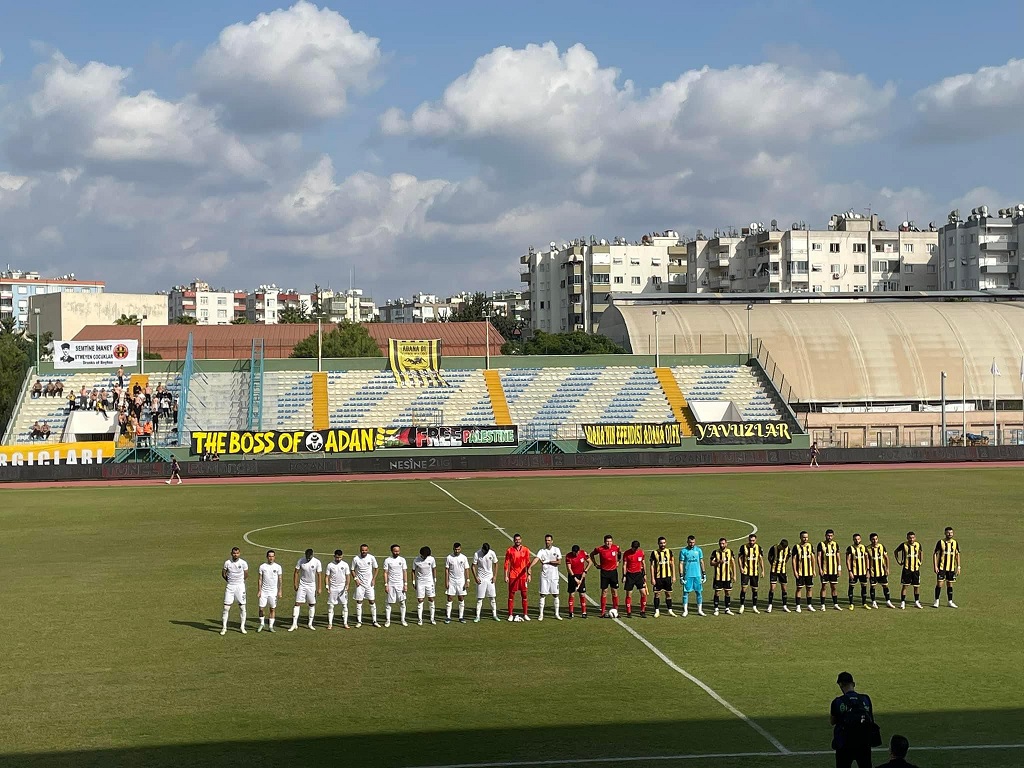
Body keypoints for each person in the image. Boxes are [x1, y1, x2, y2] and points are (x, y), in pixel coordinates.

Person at [830, 672, 875, 768]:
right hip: (863, 743)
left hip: (844, 744)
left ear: (840, 685)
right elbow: (871, 720)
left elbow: (832, 721)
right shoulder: (865, 699)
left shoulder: (837, 702)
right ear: (853, 684)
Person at [289, 548, 322, 631]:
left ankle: (310, 624)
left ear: (312, 555)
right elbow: (296, 572)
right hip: (302, 585)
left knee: (311, 604)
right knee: (297, 603)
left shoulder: (317, 562)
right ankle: (294, 624)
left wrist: (319, 588)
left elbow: (319, 575)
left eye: (309, 557)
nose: (307, 558)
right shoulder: (301, 561)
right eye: (306, 556)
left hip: (311, 585)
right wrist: (295, 584)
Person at [531, 534, 562, 621]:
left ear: (552, 541)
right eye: (546, 540)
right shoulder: (542, 551)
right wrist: (530, 567)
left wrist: (548, 561)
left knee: (555, 595)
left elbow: (559, 562)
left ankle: (557, 614)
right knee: (542, 594)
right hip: (544, 576)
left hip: (554, 576)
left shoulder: (556, 550)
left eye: (549, 540)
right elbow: (536, 559)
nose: (547, 542)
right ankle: (541, 614)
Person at [590, 534, 621, 618]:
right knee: (604, 592)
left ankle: (616, 610)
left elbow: (619, 553)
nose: (609, 543)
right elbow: (592, 554)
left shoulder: (616, 547)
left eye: (610, 541)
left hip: (613, 572)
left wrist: (618, 561)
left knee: (614, 591)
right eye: (607, 541)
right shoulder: (600, 549)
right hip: (604, 573)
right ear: (604, 542)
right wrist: (596, 564)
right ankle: (603, 611)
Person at [220, 547, 248, 636]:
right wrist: (229, 581)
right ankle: (224, 628)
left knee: (242, 607)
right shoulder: (227, 563)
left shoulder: (243, 563)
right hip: (230, 586)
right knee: (226, 607)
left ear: (239, 553)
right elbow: (223, 573)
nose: (235, 555)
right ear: (231, 553)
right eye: (234, 553)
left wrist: (240, 582)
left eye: (237, 553)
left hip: (240, 587)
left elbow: (246, 574)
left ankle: (242, 627)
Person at [504, 533, 533, 620]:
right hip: (513, 575)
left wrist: (529, 575)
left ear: (521, 540)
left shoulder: (526, 550)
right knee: (511, 595)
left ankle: (525, 614)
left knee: (524, 595)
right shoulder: (510, 550)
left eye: (519, 539)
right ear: (514, 540)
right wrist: (506, 576)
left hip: (523, 576)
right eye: (516, 540)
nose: (517, 541)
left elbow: (528, 563)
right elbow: (506, 564)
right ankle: (510, 614)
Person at [351, 544, 380, 628]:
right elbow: (352, 569)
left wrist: (373, 579)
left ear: (368, 550)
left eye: (365, 550)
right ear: (360, 550)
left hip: (369, 584)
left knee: (372, 601)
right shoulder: (356, 559)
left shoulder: (371, 558)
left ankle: (374, 621)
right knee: (359, 601)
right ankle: (359, 621)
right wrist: (356, 579)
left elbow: (376, 568)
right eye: (362, 550)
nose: (364, 552)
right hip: (360, 584)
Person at [933, 526, 961, 609]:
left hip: (951, 568)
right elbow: (935, 554)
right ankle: (936, 601)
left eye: (951, 532)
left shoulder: (955, 543)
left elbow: (957, 554)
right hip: (942, 567)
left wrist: (958, 566)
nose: (950, 534)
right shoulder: (940, 542)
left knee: (950, 584)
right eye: (948, 532)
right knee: (939, 584)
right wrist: (935, 566)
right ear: (945, 533)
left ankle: (950, 601)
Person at [894, 532, 923, 609]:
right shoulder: (904, 545)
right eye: (910, 538)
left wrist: (920, 561)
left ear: (915, 538)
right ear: (907, 538)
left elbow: (920, 552)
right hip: (907, 569)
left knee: (916, 586)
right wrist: (899, 561)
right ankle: (902, 602)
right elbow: (896, 551)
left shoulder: (918, 545)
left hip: (916, 569)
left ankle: (917, 601)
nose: (911, 539)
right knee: (905, 586)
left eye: (913, 537)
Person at [678, 535, 706, 617]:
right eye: (690, 542)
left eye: (693, 542)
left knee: (699, 592)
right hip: (688, 575)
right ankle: (685, 610)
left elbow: (701, 562)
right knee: (685, 593)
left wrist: (704, 574)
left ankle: (700, 610)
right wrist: (681, 575)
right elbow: (681, 563)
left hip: (697, 575)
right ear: (687, 542)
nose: (692, 544)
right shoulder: (683, 551)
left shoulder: (698, 550)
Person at [737, 533, 764, 614]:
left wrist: (763, 570)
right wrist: (741, 568)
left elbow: (760, 559)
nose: (751, 542)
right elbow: (739, 558)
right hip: (745, 571)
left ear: (756, 540)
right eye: (750, 540)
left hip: (755, 572)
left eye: (753, 540)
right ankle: (742, 606)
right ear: (748, 540)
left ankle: (754, 606)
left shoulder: (758, 548)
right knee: (744, 588)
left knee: (755, 589)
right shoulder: (743, 547)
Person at [382, 544, 408, 628]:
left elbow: (404, 572)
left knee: (402, 602)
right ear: (392, 551)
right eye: (395, 551)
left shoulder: (402, 560)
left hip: (400, 584)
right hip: (391, 584)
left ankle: (403, 620)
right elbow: (385, 573)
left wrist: (405, 584)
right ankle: (388, 620)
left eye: (398, 551)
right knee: (389, 603)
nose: (397, 553)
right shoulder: (387, 560)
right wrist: (386, 584)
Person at [472, 543, 499, 623]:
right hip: (481, 579)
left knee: (492, 598)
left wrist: (495, 576)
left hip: (490, 579)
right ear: (482, 549)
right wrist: (476, 577)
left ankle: (494, 615)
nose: (486, 552)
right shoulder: (477, 554)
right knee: (480, 599)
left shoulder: (492, 553)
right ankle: (477, 616)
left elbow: (496, 564)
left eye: (487, 551)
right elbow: (473, 566)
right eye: (484, 551)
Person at [257, 549, 283, 632]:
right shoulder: (262, 566)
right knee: (261, 608)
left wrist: (280, 591)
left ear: (274, 557)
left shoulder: (278, 567)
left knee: (272, 608)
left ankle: (271, 626)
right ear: (267, 557)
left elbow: (280, 579)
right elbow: (260, 579)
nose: (271, 558)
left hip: (273, 592)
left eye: (272, 556)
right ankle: (262, 623)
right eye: (269, 556)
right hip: (264, 591)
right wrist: (259, 590)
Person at [649, 536, 675, 617]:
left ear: (666, 543)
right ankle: (657, 611)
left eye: (664, 543)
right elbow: (652, 566)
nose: (662, 544)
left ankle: (670, 610)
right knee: (657, 594)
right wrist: (652, 578)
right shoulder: (654, 553)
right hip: (658, 577)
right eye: (661, 543)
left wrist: (673, 576)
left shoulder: (669, 552)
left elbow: (672, 564)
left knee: (668, 594)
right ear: (658, 544)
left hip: (667, 577)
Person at [818, 529, 843, 611]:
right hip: (825, 570)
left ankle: (835, 604)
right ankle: (822, 605)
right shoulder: (821, 544)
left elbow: (838, 557)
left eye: (831, 536)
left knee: (834, 587)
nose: (829, 537)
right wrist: (820, 569)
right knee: (824, 587)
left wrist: (839, 568)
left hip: (834, 570)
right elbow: (818, 557)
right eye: (828, 536)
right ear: (825, 536)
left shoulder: (835, 544)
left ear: (833, 536)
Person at [445, 542, 471, 624]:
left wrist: (467, 581)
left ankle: (461, 617)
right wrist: (446, 581)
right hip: (452, 581)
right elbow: (447, 570)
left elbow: (467, 569)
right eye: (455, 549)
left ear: (461, 549)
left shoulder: (464, 558)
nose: (457, 551)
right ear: (453, 549)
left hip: (461, 581)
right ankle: (448, 617)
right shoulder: (449, 557)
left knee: (461, 598)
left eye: (458, 549)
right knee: (450, 598)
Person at [791, 531, 817, 612]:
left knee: (809, 588)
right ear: (800, 537)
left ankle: (809, 605)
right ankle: (798, 606)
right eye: (803, 537)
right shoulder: (796, 547)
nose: (805, 539)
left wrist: (813, 570)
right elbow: (794, 560)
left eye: (806, 537)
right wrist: (795, 571)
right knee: (799, 588)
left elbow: (813, 558)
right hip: (800, 572)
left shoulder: (810, 546)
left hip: (809, 572)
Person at [325, 549, 351, 630]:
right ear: (334, 556)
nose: (338, 559)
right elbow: (326, 576)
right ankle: (330, 624)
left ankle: (345, 623)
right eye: (337, 557)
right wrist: (327, 586)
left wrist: (347, 585)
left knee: (344, 605)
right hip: (333, 588)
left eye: (340, 557)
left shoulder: (345, 565)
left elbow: (348, 576)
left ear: (342, 556)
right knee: (331, 606)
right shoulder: (330, 565)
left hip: (342, 588)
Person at [622, 539, 648, 618]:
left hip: (639, 575)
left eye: (636, 548)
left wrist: (645, 574)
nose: (635, 549)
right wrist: (624, 575)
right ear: (632, 547)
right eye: (634, 548)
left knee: (643, 593)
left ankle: (642, 611)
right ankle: (629, 612)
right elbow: (624, 565)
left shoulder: (641, 552)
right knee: (629, 594)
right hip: (630, 575)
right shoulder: (627, 553)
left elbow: (643, 563)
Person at [710, 538, 735, 616]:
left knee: (727, 592)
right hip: (718, 577)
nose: (722, 545)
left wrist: (734, 575)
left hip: (727, 577)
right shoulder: (715, 552)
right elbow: (711, 563)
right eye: (720, 543)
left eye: (723, 543)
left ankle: (727, 609)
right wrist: (718, 562)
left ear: (726, 544)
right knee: (717, 592)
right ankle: (716, 609)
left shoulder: (730, 552)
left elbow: (733, 563)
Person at [414, 546, 438, 626]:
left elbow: (434, 568)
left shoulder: (431, 559)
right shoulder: (416, 560)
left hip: (429, 582)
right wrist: (414, 581)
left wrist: (434, 579)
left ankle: (432, 619)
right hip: (420, 582)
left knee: (431, 599)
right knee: (420, 600)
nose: (425, 557)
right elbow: (413, 571)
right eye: (424, 555)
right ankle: (420, 620)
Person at [846, 534, 870, 610]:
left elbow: (867, 559)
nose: (857, 541)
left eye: (858, 539)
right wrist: (850, 571)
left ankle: (864, 603)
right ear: (853, 540)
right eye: (855, 539)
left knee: (864, 587)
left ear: (861, 539)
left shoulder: (864, 547)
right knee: (851, 587)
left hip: (863, 572)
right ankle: (851, 604)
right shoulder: (850, 548)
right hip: (854, 572)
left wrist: (868, 570)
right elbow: (848, 560)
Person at [565, 544, 590, 618]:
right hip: (572, 576)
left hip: (581, 575)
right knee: (572, 594)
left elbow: (590, 562)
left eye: (576, 552)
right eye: (574, 552)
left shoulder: (583, 553)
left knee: (582, 594)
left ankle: (584, 612)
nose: (575, 554)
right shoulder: (568, 556)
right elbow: (569, 568)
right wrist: (575, 579)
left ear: (579, 551)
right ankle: (571, 612)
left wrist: (585, 571)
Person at [766, 538, 790, 613]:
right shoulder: (774, 548)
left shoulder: (788, 549)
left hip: (782, 571)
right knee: (772, 588)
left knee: (784, 588)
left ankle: (784, 606)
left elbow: (788, 557)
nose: (783, 549)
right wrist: (773, 564)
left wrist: (784, 563)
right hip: (774, 571)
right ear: (780, 545)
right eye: (783, 547)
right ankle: (770, 605)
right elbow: (769, 557)